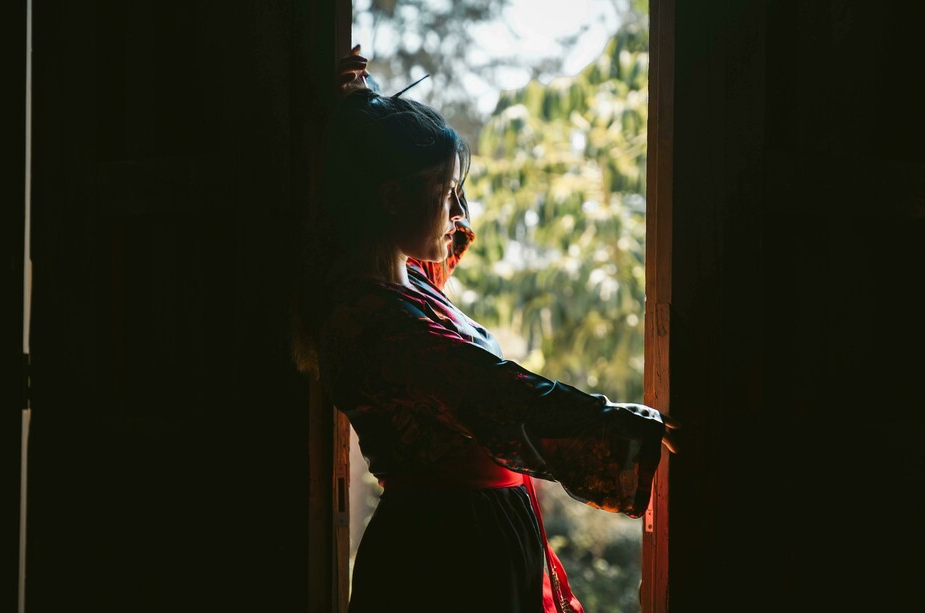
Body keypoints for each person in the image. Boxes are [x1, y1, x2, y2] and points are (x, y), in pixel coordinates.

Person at [290, 45, 679, 613]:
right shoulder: (369, 321)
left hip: (472, 535)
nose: (457, 211)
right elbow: (496, 394)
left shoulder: (407, 281)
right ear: (391, 198)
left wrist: (358, 103)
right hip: (444, 553)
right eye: (444, 193)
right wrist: (619, 424)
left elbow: (419, 200)